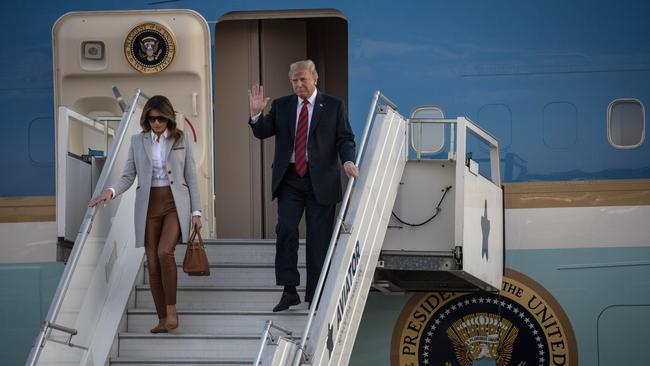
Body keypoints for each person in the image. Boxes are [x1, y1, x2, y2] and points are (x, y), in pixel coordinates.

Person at [248, 60, 359, 312]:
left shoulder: (333, 105)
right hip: (290, 179)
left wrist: (348, 161)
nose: (298, 85)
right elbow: (263, 131)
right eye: (294, 81)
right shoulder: (282, 105)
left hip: (321, 180)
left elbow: (345, 138)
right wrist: (256, 115)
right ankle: (289, 291)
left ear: (315, 79)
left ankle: (315, 294)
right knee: (286, 229)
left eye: (303, 80)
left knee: (318, 240)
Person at [89, 95, 202, 332]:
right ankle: (162, 318)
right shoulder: (137, 141)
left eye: (161, 118)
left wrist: (196, 211)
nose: (156, 123)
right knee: (152, 264)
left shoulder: (181, 139)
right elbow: (128, 175)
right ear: (146, 119)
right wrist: (110, 191)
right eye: (152, 118)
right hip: (148, 205)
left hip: (174, 204)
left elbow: (191, 176)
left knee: (164, 253)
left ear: (168, 117)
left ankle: (172, 312)